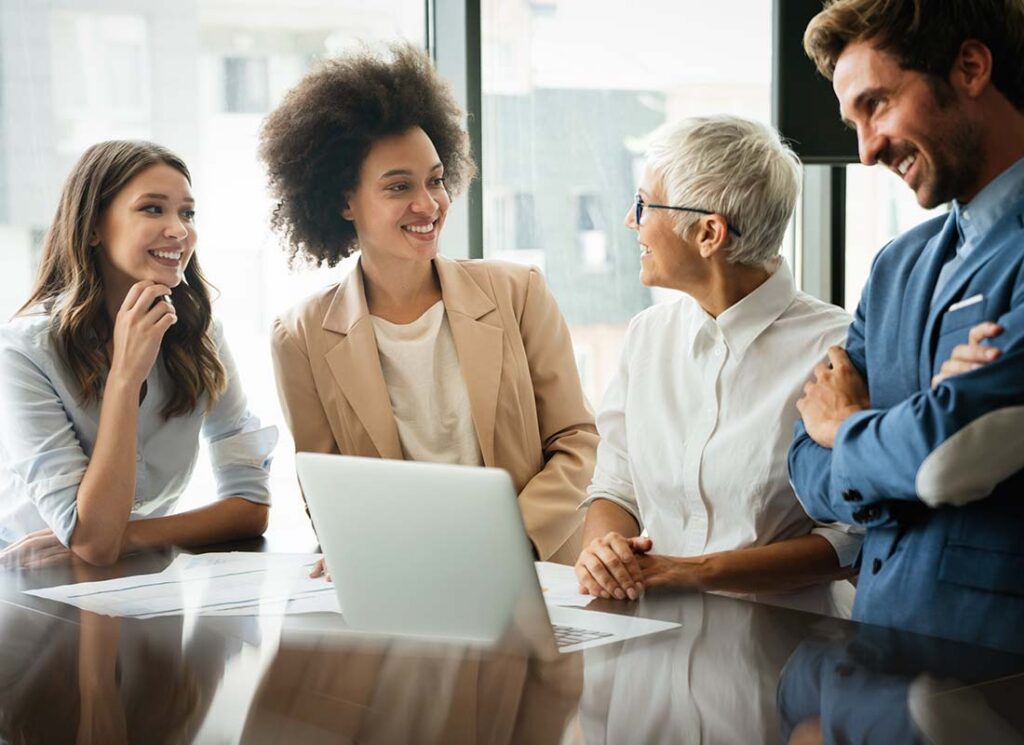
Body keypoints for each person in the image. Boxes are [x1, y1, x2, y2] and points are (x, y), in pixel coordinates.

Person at [260, 45, 597, 567]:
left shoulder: (519, 293)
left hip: (532, 576)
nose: (429, 204)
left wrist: (507, 542)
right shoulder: (300, 336)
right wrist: (361, 549)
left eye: (436, 179)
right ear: (343, 201)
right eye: (399, 187)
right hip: (405, 579)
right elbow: (328, 492)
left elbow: (576, 442)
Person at [790, 0, 1024, 652]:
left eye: (878, 104)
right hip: (873, 671)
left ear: (971, 68)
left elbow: (951, 455)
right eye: (852, 120)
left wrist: (845, 426)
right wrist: (917, 425)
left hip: (996, 680)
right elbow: (803, 463)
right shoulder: (897, 265)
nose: (865, 151)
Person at [574, 116, 861, 616]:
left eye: (643, 205)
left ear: (709, 232)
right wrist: (604, 552)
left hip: (781, 660)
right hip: (652, 643)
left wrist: (696, 572)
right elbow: (615, 488)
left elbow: (850, 539)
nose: (629, 220)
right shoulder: (646, 336)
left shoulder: (836, 348)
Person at [0, 141, 276, 568]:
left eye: (187, 213)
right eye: (152, 209)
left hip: (134, 571)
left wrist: (130, 535)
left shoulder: (201, 337)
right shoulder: (25, 352)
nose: (179, 230)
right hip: (25, 579)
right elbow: (93, 544)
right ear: (93, 227)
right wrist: (125, 379)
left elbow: (250, 503)